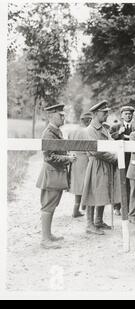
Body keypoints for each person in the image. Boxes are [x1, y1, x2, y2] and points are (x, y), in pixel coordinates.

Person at [36, 104, 76, 249]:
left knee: (53, 205)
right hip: (51, 172)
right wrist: (68, 159)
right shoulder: (48, 133)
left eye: (63, 115)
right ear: (51, 116)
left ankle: (48, 235)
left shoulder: (56, 131)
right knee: (48, 205)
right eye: (61, 115)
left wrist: (67, 156)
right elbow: (49, 157)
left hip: (56, 173)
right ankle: (45, 239)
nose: (63, 117)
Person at [81, 101, 120, 235]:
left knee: (103, 191)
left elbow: (111, 142)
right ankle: (89, 224)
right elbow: (95, 151)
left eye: (107, 112)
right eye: (104, 113)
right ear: (96, 114)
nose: (107, 115)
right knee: (93, 193)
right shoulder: (91, 130)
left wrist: (118, 147)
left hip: (105, 164)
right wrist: (114, 158)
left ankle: (98, 220)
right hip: (96, 163)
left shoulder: (104, 128)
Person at [110, 105, 135, 216]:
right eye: (126, 114)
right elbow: (110, 138)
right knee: (119, 182)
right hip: (119, 158)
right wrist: (119, 133)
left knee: (130, 182)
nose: (128, 116)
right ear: (121, 115)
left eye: (130, 114)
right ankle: (117, 207)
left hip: (132, 158)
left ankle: (128, 207)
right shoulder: (115, 126)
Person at [68, 112, 92, 218]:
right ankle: (84, 207)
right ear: (88, 121)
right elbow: (89, 150)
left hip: (74, 160)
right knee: (86, 183)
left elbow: (67, 147)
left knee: (77, 184)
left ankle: (76, 209)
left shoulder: (72, 131)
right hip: (84, 160)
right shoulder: (87, 132)